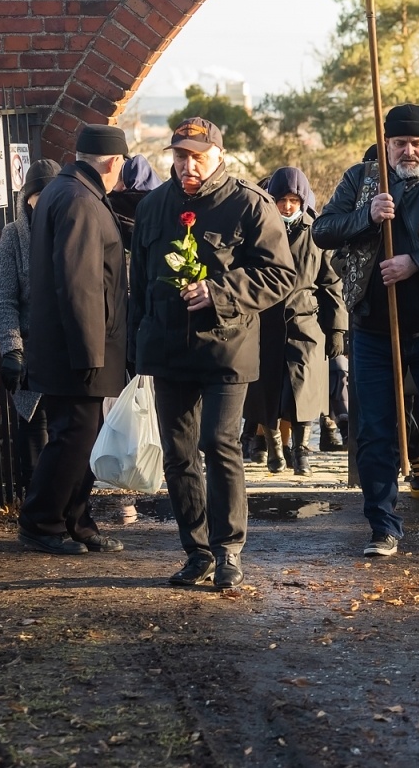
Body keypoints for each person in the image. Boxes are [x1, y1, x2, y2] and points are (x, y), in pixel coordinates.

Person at [312, 103, 419, 556]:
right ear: (387, 145)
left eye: (416, 143)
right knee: (373, 428)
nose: (408, 151)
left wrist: (416, 263)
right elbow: (324, 230)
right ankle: (383, 524)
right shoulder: (360, 179)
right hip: (373, 327)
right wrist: (367, 216)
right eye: (399, 143)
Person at [130, 117, 295, 590]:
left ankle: (229, 550)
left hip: (227, 346)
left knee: (218, 444)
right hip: (167, 348)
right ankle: (196, 550)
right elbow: (138, 284)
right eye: (179, 156)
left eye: (197, 157)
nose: (187, 165)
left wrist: (220, 291)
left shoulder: (249, 204)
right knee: (179, 454)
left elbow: (280, 275)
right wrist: (138, 351)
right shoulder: (155, 206)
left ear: (219, 156)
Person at [18, 125, 132, 556]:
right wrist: (89, 352)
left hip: (80, 345)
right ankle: (41, 521)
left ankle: (75, 519)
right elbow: (79, 283)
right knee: (74, 436)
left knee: (85, 434)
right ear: (113, 161)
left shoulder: (69, 191)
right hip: (81, 349)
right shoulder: (80, 200)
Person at [243, 167, 348, 477]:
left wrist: (337, 327)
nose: (287, 206)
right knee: (267, 391)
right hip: (265, 323)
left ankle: (301, 451)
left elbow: (331, 283)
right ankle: (274, 444)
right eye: (281, 200)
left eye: (293, 200)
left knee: (303, 390)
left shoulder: (317, 232)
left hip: (306, 322)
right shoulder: (258, 231)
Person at [0, 158, 60, 495]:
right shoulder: (14, 236)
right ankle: (34, 502)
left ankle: (63, 503)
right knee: (34, 426)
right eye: (39, 195)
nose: (45, 201)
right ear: (28, 197)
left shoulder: (72, 229)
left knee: (70, 431)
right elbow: (4, 298)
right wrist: (12, 348)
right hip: (32, 348)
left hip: (68, 347)